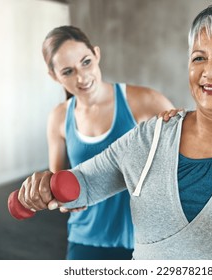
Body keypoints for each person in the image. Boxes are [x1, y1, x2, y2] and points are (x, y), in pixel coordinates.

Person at [18, 1, 212, 259]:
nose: (210, 71)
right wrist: (47, 186)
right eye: (199, 57)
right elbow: (85, 181)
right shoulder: (151, 136)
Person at [38, 25, 175, 260]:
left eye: (86, 62)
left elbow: (186, 156)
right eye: (68, 71)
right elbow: (60, 185)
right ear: (53, 76)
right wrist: (62, 200)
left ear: (97, 54)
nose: (82, 77)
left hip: (144, 239)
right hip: (86, 237)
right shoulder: (59, 117)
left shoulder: (146, 100)